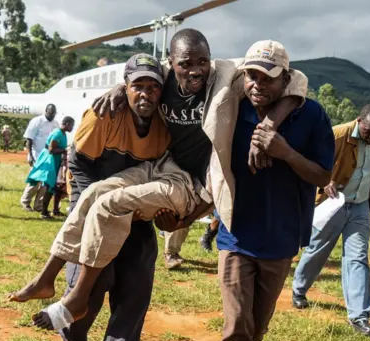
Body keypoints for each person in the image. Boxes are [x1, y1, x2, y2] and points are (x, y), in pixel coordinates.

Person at [92, 29, 308, 270]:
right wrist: (121, 87)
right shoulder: (163, 76)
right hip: (167, 166)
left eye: (202, 61)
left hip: (202, 177)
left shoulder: (223, 75)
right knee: (104, 196)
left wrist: (267, 128)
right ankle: (84, 269)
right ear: (171, 62)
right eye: (185, 63)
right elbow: (140, 79)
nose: (195, 70)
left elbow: (296, 77)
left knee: (129, 206)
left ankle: (96, 275)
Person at [10, 53, 171, 341]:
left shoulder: (165, 126)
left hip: (137, 213)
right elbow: (79, 163)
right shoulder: (103, 113)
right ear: (125, 87)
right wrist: (95, 211)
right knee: (95, 279)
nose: (145, 93)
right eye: (138, 85)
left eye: (153, 87)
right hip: (93, 201)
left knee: (136, 286)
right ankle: (75, 340)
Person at [215, 40, 335, 341]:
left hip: (281, 240)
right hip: (235, 235)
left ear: (286, 79)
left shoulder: (310, 115)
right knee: (237, 328)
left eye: (267, 77)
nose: (257, 84)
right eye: (251, 75)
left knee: (256, 329)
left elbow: (324, 173)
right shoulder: (232, 107)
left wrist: (285, 152)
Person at [292, 104, 370, 338]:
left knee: (358, 257)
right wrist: (323, 182)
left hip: (360, 205)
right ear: (358, 121)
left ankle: (359, 317)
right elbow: (309, 161)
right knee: (318, 249)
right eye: (368, 132)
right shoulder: (336, 135)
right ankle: (299, 289)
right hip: (333, 203)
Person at [24, 117, 75, 219]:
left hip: (55, 161)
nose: (72, 128)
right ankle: (43, 212)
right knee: (49, 186)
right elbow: (51, 150)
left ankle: (52, 210)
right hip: (50, 160)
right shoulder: (57, 133)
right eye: (72, 125)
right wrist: (65, 150)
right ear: (67, 124)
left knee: (53, 187)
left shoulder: (63, 134)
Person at [20, 104, 60, 212]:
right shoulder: (37, 121)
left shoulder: (56, 124)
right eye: (50, 112)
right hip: (37, 155)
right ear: (46, 111)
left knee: (45, 182)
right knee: (35, 180)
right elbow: (29, 140)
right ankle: (25, 201)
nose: (51, 115)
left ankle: (39, 205)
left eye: (53, 113)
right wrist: (31, 156)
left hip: (49, 157)